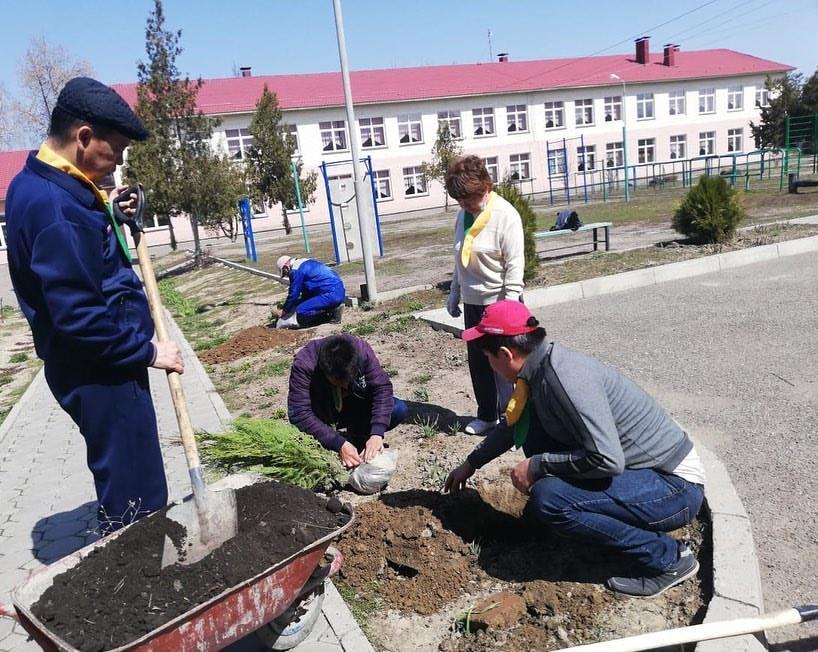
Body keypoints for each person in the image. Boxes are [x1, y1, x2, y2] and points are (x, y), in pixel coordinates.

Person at [5, 77, 185, 533]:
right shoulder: (55, 209)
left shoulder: (47, 183)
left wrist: (109, 215)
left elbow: (83, 257)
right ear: (83, 137)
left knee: (128, 476)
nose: (120, 161)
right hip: (101, 370)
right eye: (117, 149)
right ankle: (138, 582)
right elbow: (79, 318)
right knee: (136, 492)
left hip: (102, 361)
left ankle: (138, 563)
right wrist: (149, 352)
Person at [444, 300, 706, 598]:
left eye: (488, 357)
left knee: (550, 498)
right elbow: (512, 424)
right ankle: (582, 521)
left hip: (675, 488)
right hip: (647, 475)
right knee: (538, 440)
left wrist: (539, 465)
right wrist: (472, 462)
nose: (488, 365)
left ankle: (670, 558)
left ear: (506, 354)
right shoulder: (538, 369)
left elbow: (607, 459)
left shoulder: (563, 379)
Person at [445, 155, 525, 435]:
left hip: (501, 302)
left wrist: (511, 305)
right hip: (474, 303)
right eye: (459, 200)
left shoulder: (505, 215)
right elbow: (460, 256)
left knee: (506, 365)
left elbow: (515, 264)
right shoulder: (463, 216)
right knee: (479, 363)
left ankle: (513, 419)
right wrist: (455, 291)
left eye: (468, 199)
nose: (463, 205)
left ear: (485, 188)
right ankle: (487, 415)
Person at [288, 333, 407, 469]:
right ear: (325, 371)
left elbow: (382, 389)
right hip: (324, 413)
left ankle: (360, 433)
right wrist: (338, 443)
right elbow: (299, 413)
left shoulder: (361, 351)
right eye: (339, 383)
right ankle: (336, 439)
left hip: (353, 406)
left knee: (397, 409)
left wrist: (377, 433)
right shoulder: (305, 364)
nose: (344, 386)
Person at [275, 255, 346, 329]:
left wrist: (285, 310)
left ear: (286, 267)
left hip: (330, 294)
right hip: (337, 290)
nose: (287, 275)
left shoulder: (295, 270)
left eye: (285, 273)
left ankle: (329, 315)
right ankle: (334, 307)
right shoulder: (304, 262)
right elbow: (306, 292)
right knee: (299, 304)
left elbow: (294, 293)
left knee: (301, 311)